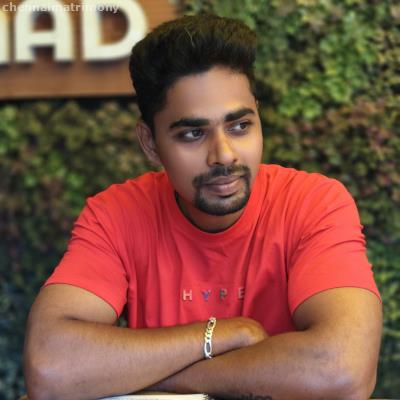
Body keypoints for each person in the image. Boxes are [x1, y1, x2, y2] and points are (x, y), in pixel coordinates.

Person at [24, 14, 382, 400]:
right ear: (150, 143)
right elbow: (51, 366)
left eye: (240, 126)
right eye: (193, 133)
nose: (224, 155)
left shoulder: (314, 205)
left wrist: (142, 377)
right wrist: (222, 334)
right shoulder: (116, 215)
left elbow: (342, 371)